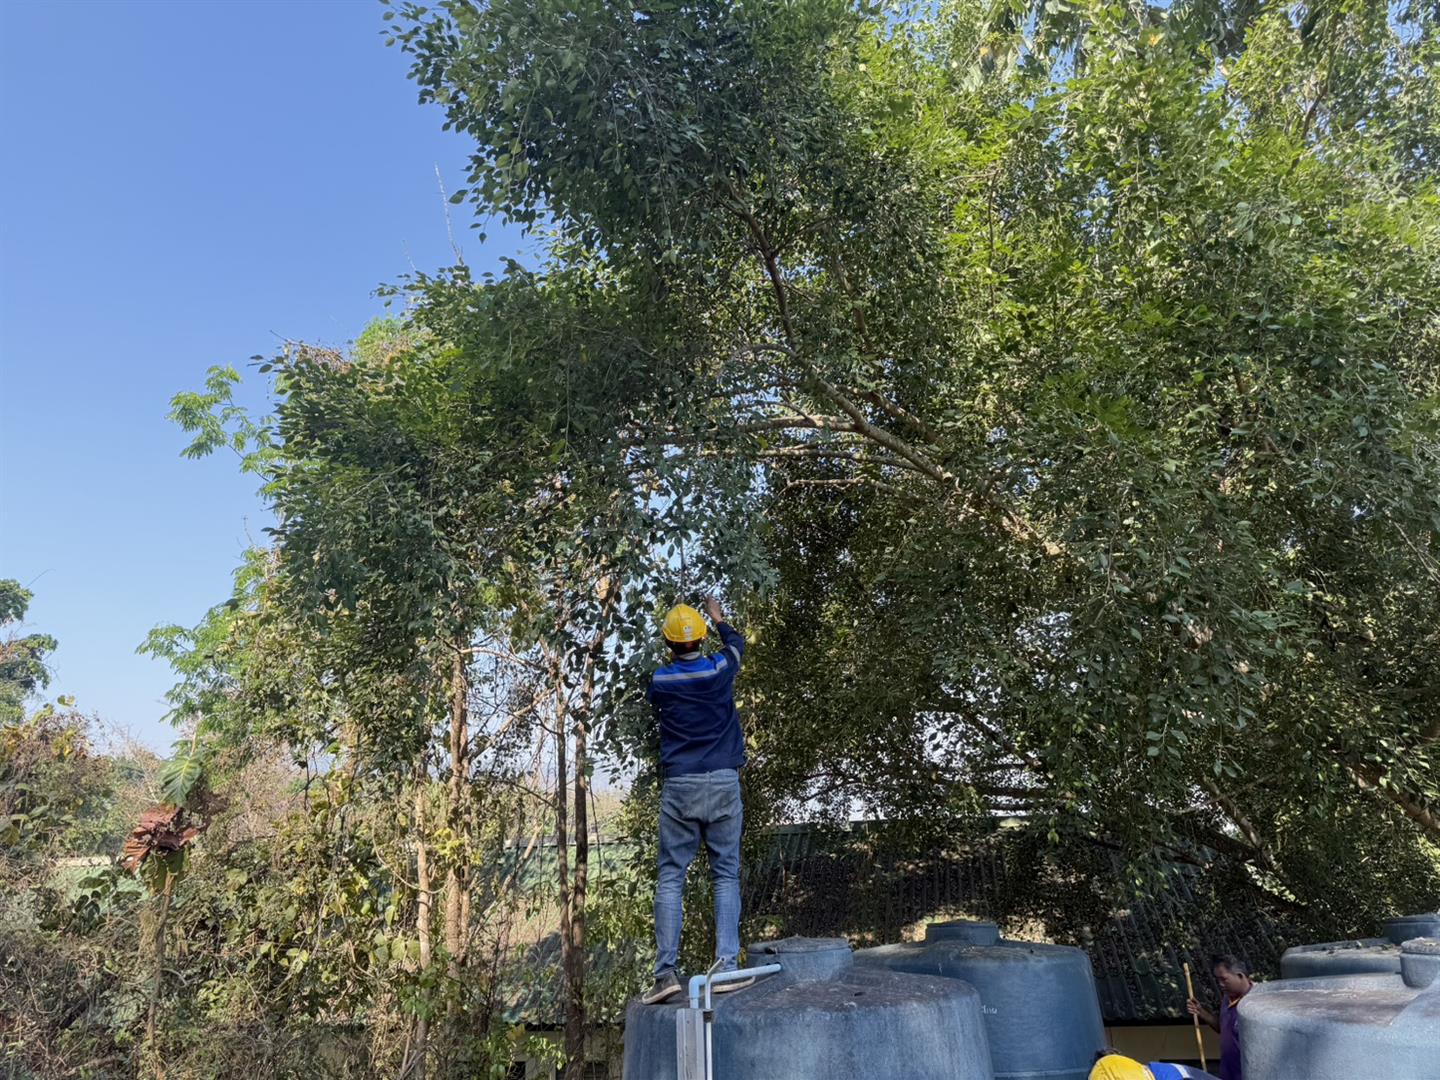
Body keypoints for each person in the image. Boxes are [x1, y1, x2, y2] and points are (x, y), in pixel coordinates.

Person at [641, 596, 749, 1005]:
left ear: (668, 643)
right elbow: (736, 645)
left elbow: (655, 697)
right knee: (725, 874)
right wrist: (718, 617)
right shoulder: (721, 668)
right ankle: (727, 967)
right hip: (722, 780)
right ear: (702, 638)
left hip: (681, 784)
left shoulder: (661, 681)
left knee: (672, 875)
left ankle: (666, 973)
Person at [1187, 954, 1255, 1080]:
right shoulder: (1226, 999)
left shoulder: (1258, 1002)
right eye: (1218, 980)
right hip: (1227, 1073)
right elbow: (1222, 1028)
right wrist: (1201, 1012)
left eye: (1224, 979)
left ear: (1240, 976)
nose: (1220, 984)